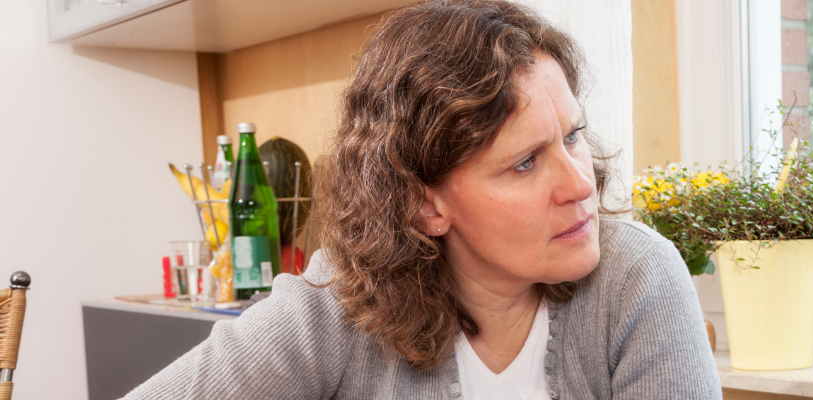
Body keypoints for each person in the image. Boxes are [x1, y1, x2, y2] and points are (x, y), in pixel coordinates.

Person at [126, 1, 721, 398]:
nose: (581, 184)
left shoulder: (638, 279)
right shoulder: (341, 301)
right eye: (523, 162)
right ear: (423, 204)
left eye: (572, 137)